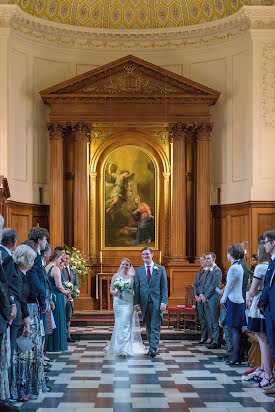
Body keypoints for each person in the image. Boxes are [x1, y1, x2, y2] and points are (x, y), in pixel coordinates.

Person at [9, 244, 40, 402]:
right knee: (18, 358)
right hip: (21, 319)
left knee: (24, 357)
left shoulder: (23, 274)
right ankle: (16, 391)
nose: (34, 262)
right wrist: (26, 322)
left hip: (24, 317)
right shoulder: (18, 275)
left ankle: (23, 389)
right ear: (26, 259)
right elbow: (20, 299)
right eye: (32, 259)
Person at [246, 239, 274, 388]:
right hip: (265, 302)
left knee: (263, 339)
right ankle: (263, 369)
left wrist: (248, 296)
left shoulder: (260, 268)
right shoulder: (268, 265)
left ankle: (266, 372)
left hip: (259, 303)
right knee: (263, 338)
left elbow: (254, 289)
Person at [105, 258, 144, 357]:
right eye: (123, 264)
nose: (124, 266)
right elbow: (111, 290)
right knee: (119, 324)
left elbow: (136, 292)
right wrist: (117, 293)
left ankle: (125, 350)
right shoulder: (116, 276)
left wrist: (136, 303)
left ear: (130, 266)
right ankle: (117, 347)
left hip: (128, 303)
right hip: (118, 303)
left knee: (126, 324)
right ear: (120, 265)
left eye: (127, 265)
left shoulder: (133, 277)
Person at [134, 247, 168, 358]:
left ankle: (153, 348)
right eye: (143, 254)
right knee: (148, 326)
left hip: (156, 302)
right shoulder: (138, 271)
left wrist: (164, 302)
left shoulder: (160, 269)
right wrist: (136, 303)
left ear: (152, 255)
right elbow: (137, 288)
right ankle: (151, 345)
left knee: (155, 325)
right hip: (144, 302)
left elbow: (164, 287)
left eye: (147, 254)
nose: (145, 256)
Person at [220, 244, 246, 365]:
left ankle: (236, 356)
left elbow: (229, 286)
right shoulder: (238, 266)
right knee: (235, 329)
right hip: (237, 300)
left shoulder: (234, 268)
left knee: (234, 329)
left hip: (234, 301)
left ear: (230, 254)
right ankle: (237, 354)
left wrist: (223, 299)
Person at [258, 230, 275, 394]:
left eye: (266, 242)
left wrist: (262, 303)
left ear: (273, 243)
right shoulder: (272, 263)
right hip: (270, 309)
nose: (264, 245)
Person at [46, 251, 71, 352]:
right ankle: (57, 345)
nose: (62, 260)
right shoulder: (55, 268)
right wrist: (67, 292)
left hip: (51, 295)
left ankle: (49, 345)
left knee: (52, 320)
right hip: (57, 296)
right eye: (61, 258)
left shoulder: (47, 267)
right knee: (58, 319)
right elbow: (59, 286)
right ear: (56, 258)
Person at [200, 252, 222, 349]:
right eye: (206, 258)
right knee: (209, 320)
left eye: (208, 258)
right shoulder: (207, 270)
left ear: (213, 259)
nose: (207, 260)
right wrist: (201, 294)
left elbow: (214, 285)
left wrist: (206, 296)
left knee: (214, 320)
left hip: (213, 298)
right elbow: (202, 284)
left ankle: (216, 340)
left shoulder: (217, 271)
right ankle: (212, 338)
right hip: (206, 298)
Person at [62, 252, 79, 343]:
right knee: (62, 316)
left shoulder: (73, 271)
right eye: (64, 258)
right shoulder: (60, 269)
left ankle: (68, 335)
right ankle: (62, 336)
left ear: (70, 259)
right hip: (63, 295)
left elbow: (76, 283)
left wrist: (73, 292)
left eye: (67, 258)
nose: (65, 260)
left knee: (69, 316)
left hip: (70, 297)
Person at [193, 255, 209, 344]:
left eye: (203, 260)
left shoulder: (209, 272)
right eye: (200, 260)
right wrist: (195, 295)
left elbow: (206, 286)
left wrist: (202, 296)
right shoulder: (199, 272)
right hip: (198, 298)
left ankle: (209, 336)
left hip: (205, 298)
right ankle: (203, 336)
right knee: (202, 318)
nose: (201, 262)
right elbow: (195, 284)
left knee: (208, 318)